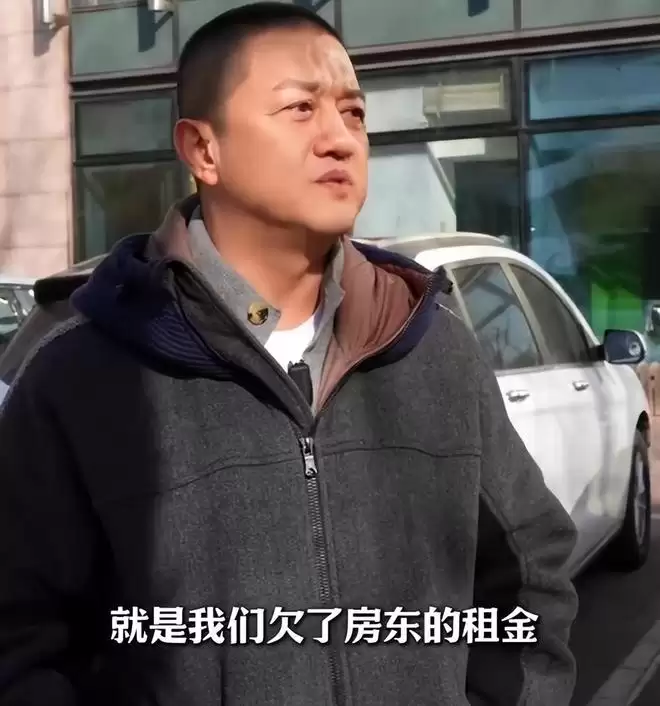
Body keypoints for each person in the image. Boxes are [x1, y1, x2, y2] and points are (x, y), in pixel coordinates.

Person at [0, 3, 579, 705]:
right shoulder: (84, 376)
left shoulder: (432, 347)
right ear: (203, 150)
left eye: (354, 113)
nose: (340, 140)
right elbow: (21, 640)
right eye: (300, 108)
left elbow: (531, 568)